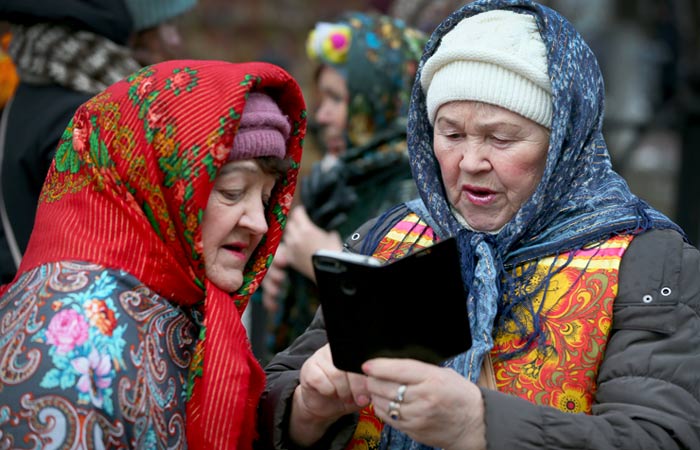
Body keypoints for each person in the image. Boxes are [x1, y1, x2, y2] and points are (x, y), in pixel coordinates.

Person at [257, 1, 700, 449]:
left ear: (563, 144)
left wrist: (479, 424)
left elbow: (660, 435)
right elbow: (274, 393)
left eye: (500, 138)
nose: (469, 162)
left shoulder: (647, 263)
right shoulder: (394, 237)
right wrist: (306, 410)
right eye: (450, 134)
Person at [0, 59, 306, 449]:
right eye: (232, 191)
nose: (259, 224)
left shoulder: (174, 305)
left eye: (265, 198)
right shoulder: (68, 339)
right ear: (155, 186)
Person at [261, 11, 426, 358]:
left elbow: (412, 325)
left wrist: (326, 263)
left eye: (337, 99)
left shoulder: (418, 193)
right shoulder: (337, 178)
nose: (321, 116)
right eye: (323, 98)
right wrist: (284, 283)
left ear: (381, 99)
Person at [0, 0, 196, 284]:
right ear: (135, 36)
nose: (177, 41)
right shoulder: (87, 117)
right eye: (169, 26)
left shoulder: (33, 95)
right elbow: (111, 255)